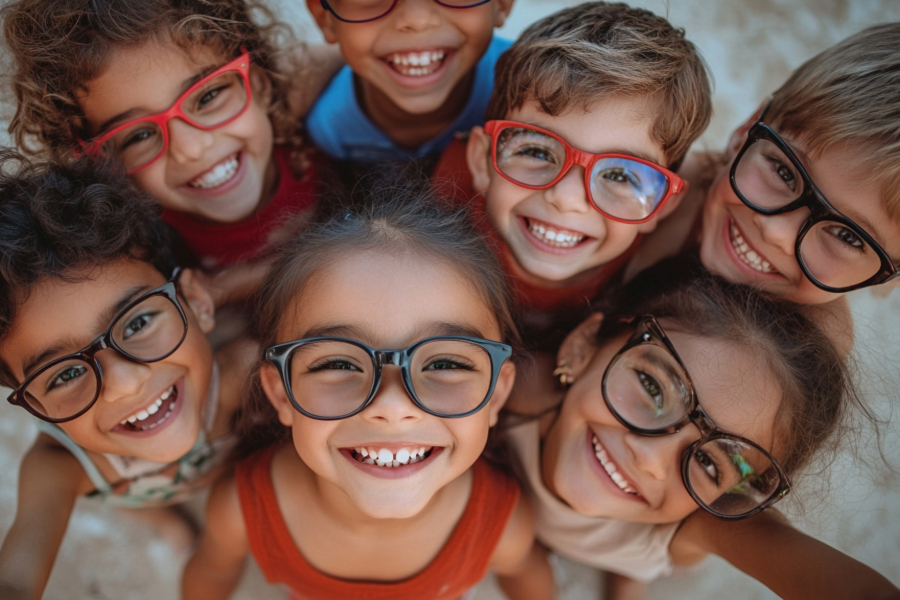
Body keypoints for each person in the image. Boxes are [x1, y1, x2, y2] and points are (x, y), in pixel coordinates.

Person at [181, 188, 553, 600]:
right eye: (337, 364)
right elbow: (210, 577)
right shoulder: (242, 508)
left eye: (445, 364)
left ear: (496, 394)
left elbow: (528, 580)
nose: (393, 406)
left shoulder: (499, 522)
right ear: (281, 393)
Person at [504, 256, 900, 600]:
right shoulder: (517, 387)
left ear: (734, 497)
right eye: (651, 387)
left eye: (711, 464)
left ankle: (628, 574)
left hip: (637, 536)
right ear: (582, 347)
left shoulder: (697, 520)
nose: (651, 459)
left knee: (656, 562)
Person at [0, 152, 256, 599]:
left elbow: (306, 269)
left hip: (216, 472)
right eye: (63, 375)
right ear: (37, 409)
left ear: (196, 301)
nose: (125, 382)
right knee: (149, 509)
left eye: (137, 323)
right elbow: (16, 579)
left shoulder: (245, 372)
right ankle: (168, 523)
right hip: (141, 493)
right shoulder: (60, 468)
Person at [1, 0, 338, 304]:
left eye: (208, 97)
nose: (190, 150)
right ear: (102, 165)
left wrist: (228, 286)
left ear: (260, 84)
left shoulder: (297, 104)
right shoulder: (145, 242)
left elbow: (351, 57)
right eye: (139, 135)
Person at [432, 1, 712, 343]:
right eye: (536, 151)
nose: (567, 199)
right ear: (481, 159)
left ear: (663, 205)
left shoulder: (657, 270)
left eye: (621, 176)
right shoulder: (442, 200)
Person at [628, 23, 900, 349]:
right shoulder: (649, 187)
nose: (777, 233)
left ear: (890, 276)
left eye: (848, 235)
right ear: (747, 129)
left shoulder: (807, 354)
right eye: (784, 172)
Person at [304, 0, 513, 163]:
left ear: (502, 3)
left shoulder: (532, 95)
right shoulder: (331, 131)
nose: (417, 21)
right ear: (325, 18)